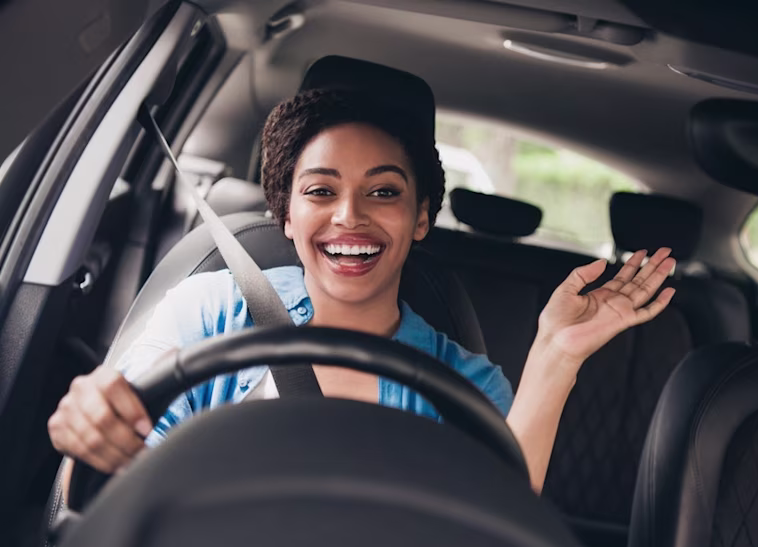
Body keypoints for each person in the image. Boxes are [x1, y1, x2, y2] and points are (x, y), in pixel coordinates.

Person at [48, 89, 675, 492]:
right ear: (286, 216)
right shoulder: (208, 310)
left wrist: (556, 358)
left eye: (383, 192)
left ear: (422, 217)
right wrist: (95, 428)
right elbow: (114, 485)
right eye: (320, 191)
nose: (350, 216)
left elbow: (489, 543)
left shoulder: (466, 384)